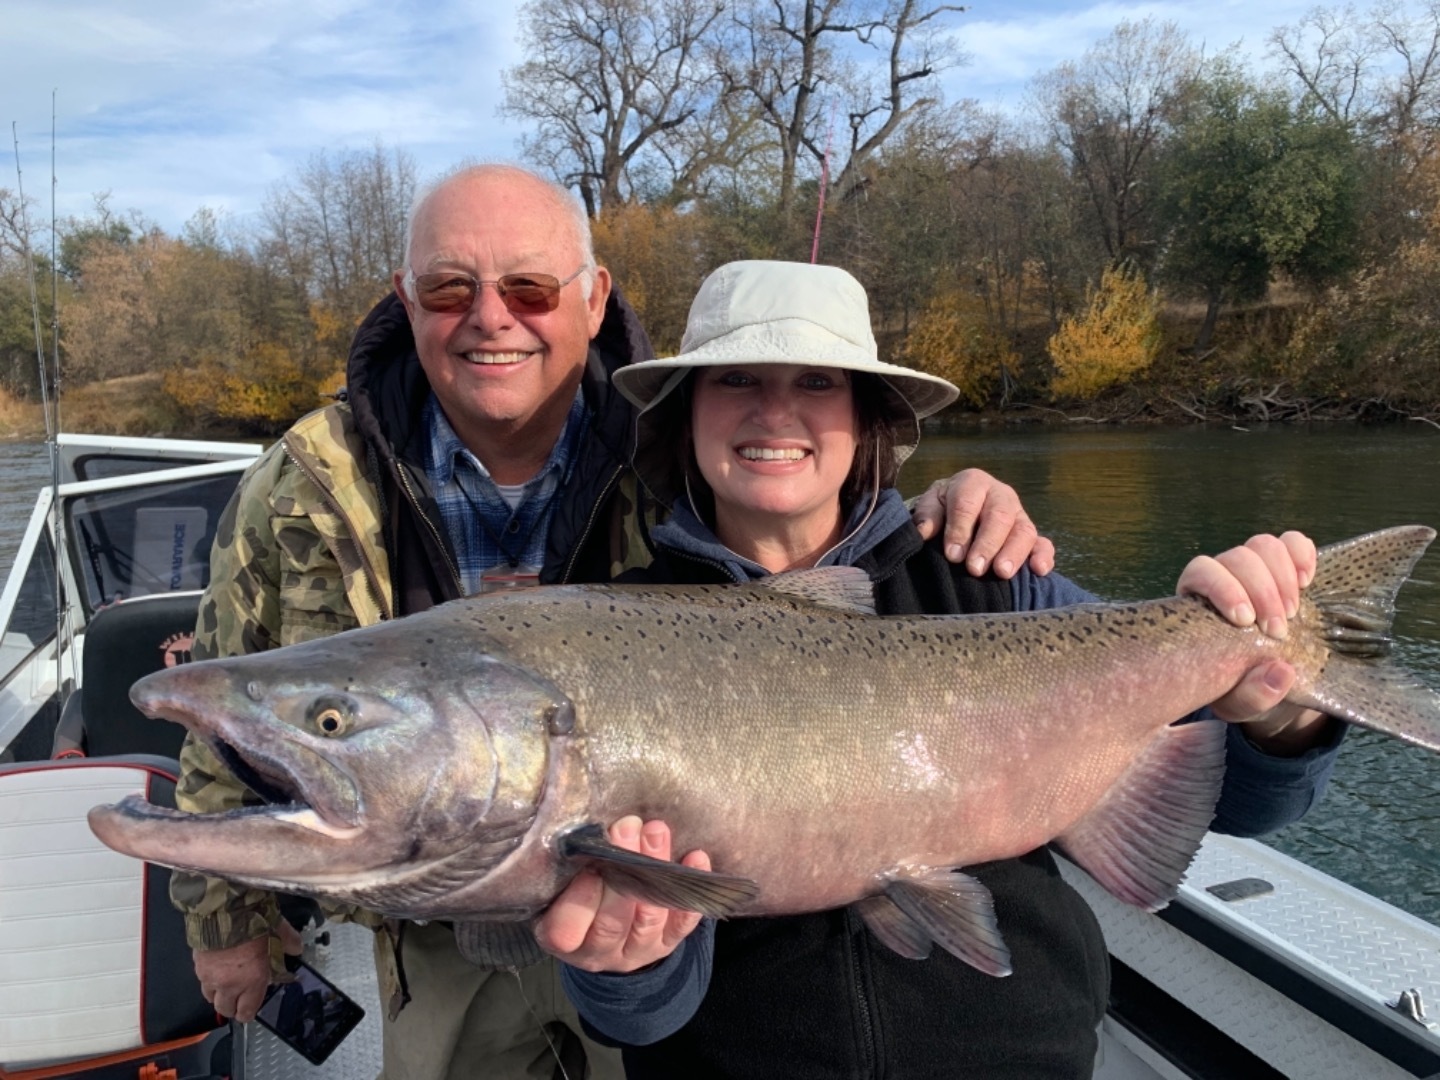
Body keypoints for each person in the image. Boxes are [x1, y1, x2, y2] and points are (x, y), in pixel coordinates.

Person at [169, 165, 1052, 1080]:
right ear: (407, 300)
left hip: (649, 885)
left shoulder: (675, 450)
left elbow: (813, 506)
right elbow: (228, 725)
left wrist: (952, 508)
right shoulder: (301, 484)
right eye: (449, 287)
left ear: (594, 301)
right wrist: (223, 922)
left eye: (530, 287)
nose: (491, 317)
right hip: (426, 919)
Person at [549, 260, 1343, 1078]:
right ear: (688, 414)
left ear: (866, 416)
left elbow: (1245, 802)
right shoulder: (613, 637)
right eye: (737, 378)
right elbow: (638, 1022)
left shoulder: (995, 575)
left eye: (818, 381)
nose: (775, 409)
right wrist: (628, 960)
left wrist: (1285, 711)